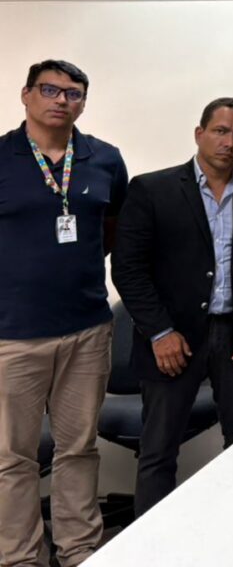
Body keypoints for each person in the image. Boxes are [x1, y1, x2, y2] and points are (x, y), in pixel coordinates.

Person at [112, 97, 233, 515]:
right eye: (221, 131)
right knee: (158, 451)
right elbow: (128, 268)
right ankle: (150, 551)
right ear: (200, 133)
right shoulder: (151, 189)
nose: (230, 142)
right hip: (173, 339)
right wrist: (158, 332)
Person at [0, 60, 127, 567]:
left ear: (83, 103)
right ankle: (21, 556)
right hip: (14, 335)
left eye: (73, 93)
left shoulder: (105, 159)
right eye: (49, 90)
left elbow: (112, 229)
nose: (61, 100)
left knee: (79, 449)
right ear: (27, 95)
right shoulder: (3, 156)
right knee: (14, 458)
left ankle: (79, 551)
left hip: (87, 329)